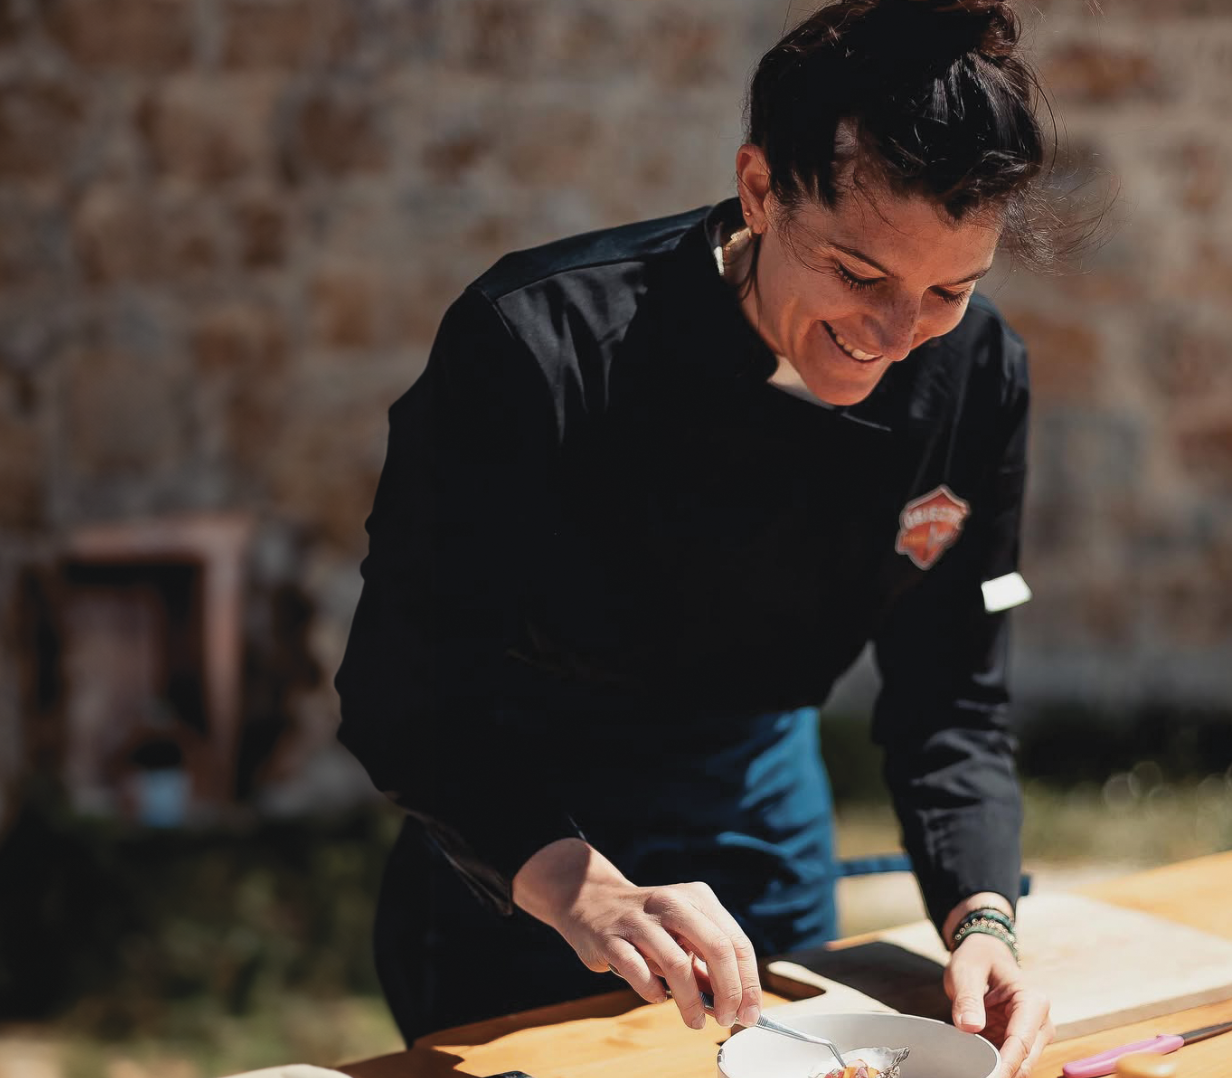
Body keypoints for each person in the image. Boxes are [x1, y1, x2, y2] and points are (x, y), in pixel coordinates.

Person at [335, 0, 1060, 1074]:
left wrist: (983, 919)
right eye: (858, 275)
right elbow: (403, 691)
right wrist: (584, 890)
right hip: (524, 839)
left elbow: (952, 694)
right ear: (760, 190)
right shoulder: (536, 349)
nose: (896, 337)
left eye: (949, 290)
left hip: (762, 816)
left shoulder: (978, 375)